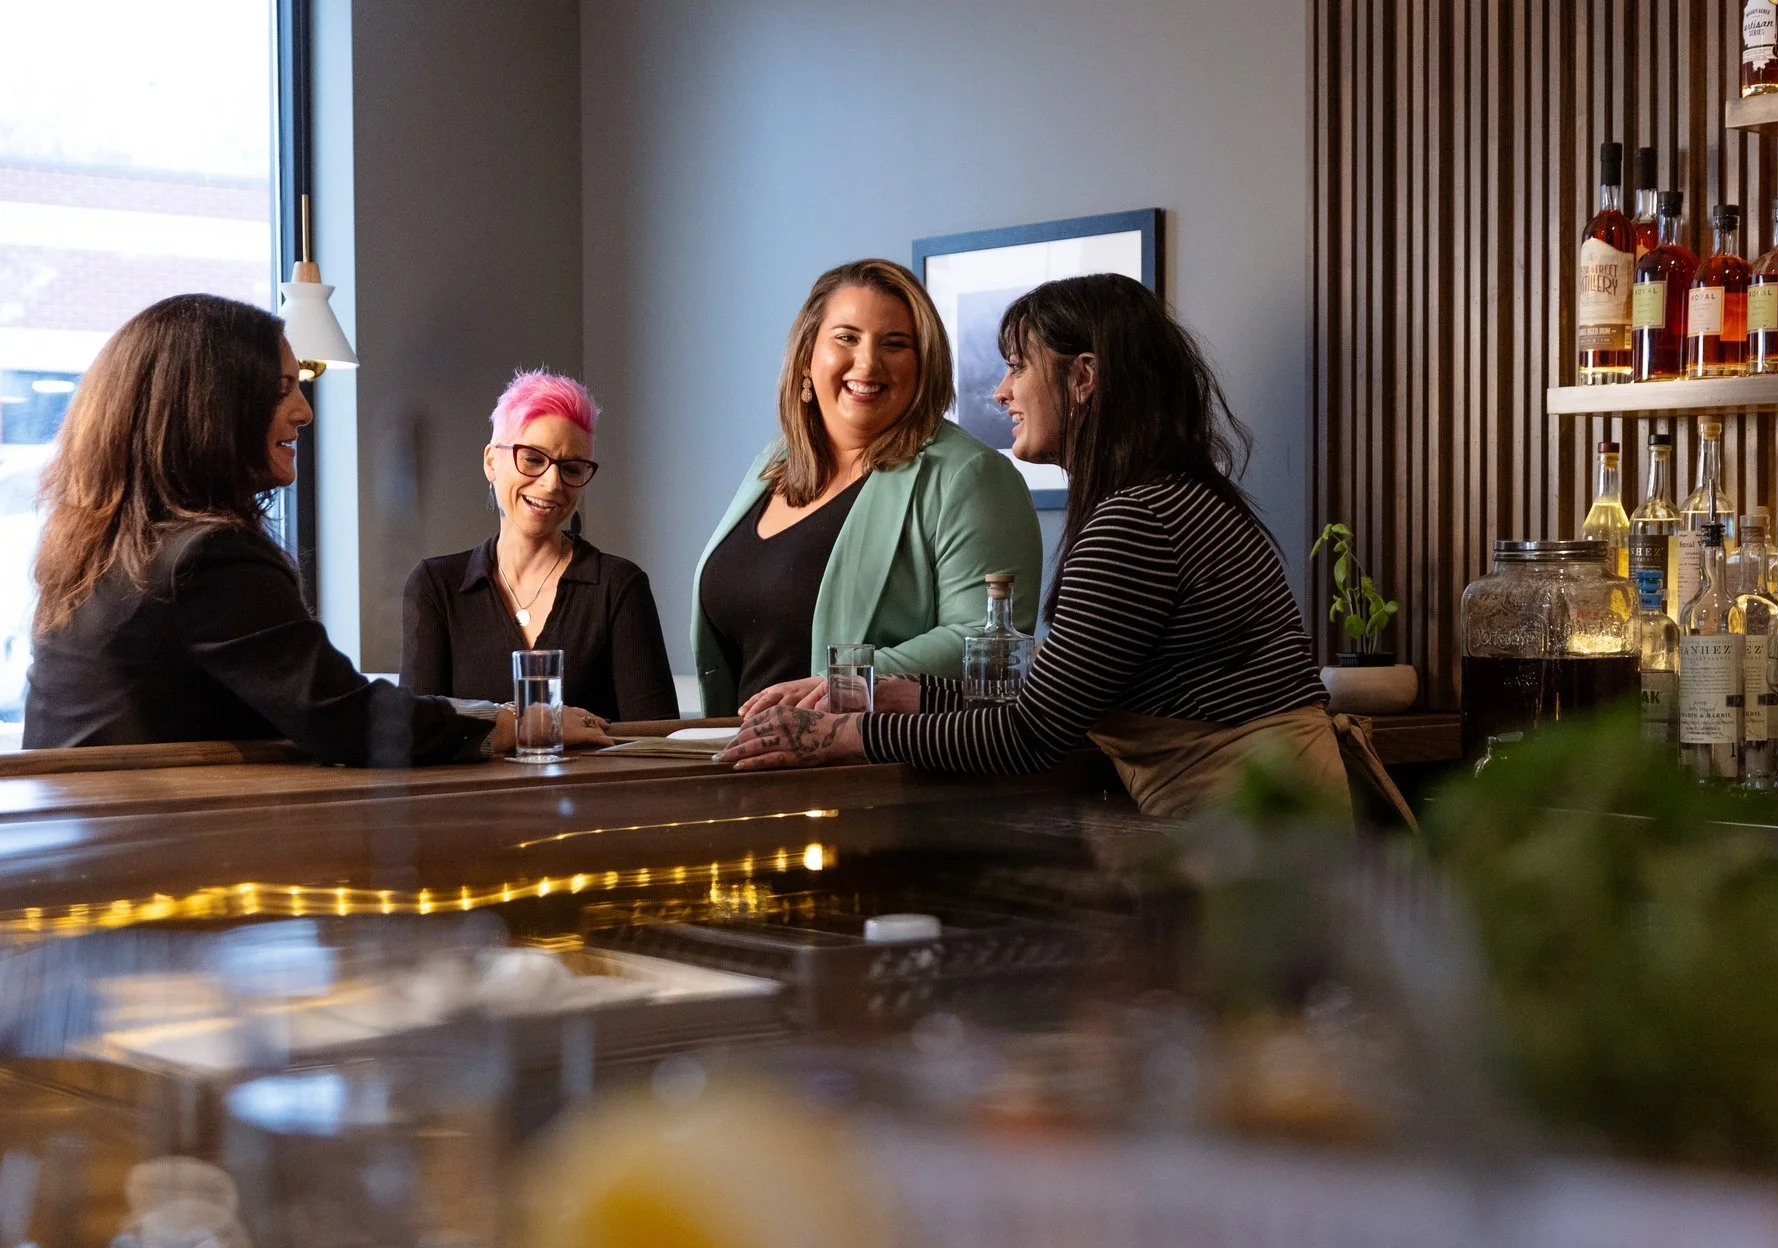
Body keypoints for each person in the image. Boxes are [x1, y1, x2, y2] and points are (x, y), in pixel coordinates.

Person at [720, 273, 1361, 819]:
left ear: (1083, 377)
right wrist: (898, 693)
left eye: (1017, 366)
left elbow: (1029, 734)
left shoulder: (1135, 523)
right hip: (1272, 814)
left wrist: (851, 734)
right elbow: (1052, 698)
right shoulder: (1171, 498)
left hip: (1255, 828)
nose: (1001, 391)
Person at [23, 294, 611, 763]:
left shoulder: (104, 546)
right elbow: (345, 716)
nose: (304, 411)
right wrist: (518, 724)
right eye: (282, 390)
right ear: (213, 407)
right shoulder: (209, 556)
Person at [692, 258, 1042, 719]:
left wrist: (843, 682)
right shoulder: (772, 462)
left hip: (876, 756)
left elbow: (983, 640)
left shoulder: (970, 474)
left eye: (895, 344)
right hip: (742, 752)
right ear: (807, 355)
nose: (868, 362)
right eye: (846, 338)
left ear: (924, 366)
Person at [401, 370, 678, 720]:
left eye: (571, 468)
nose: (551, 484)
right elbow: (418, 729)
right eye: (533, 459)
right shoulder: (436, 586)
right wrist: (532, 726)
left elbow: (655, 736)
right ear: (491, 461)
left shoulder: (618, 586)